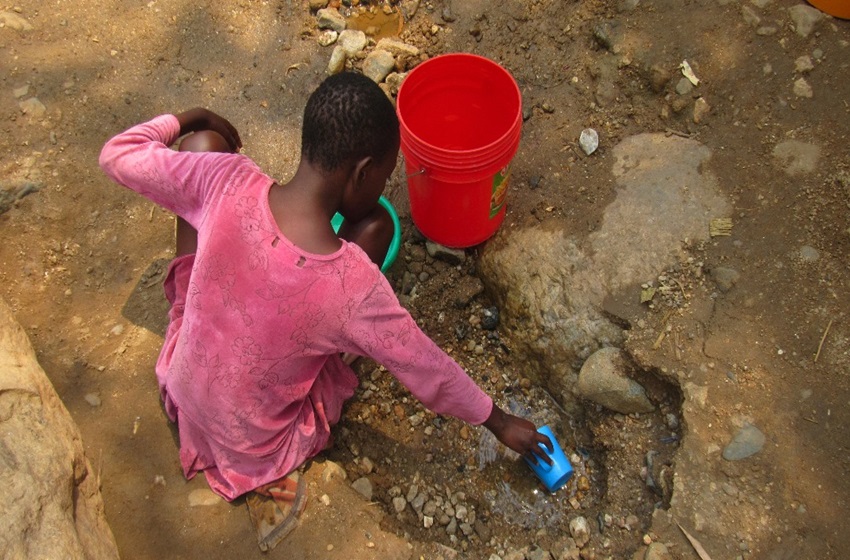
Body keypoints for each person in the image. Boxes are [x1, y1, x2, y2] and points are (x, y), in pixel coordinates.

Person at [99, 72, 551, 540]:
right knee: (375, 227)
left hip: (183, 386)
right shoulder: (349, 285)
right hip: (251, 444)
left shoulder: (225, 178)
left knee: (203, 144)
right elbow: (424, 366)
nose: (383, 185)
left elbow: (117, 154)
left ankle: (199, 138)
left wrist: (192, 116)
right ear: (362, 171)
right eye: (384, 174)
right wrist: (499, 422)